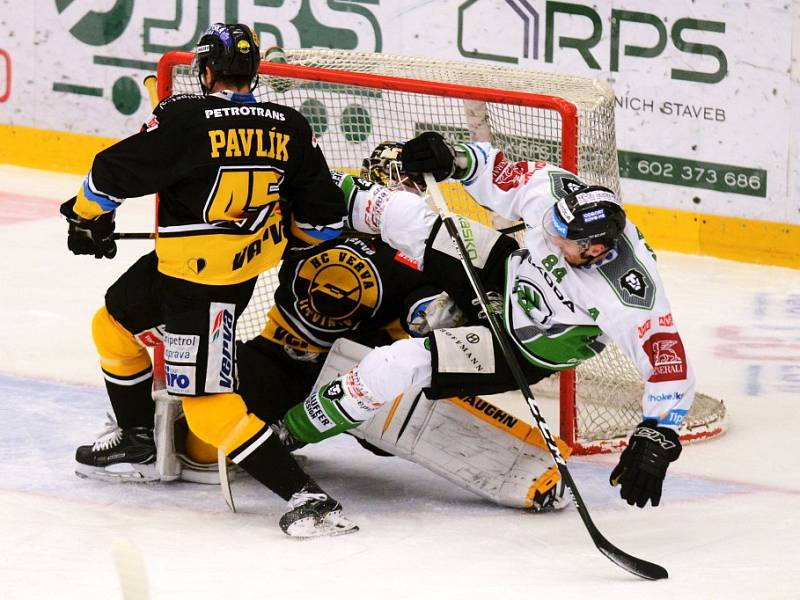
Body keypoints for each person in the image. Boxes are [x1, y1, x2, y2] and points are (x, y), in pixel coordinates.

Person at [278, 131, 695, 511]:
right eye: (551, 227)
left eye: (560, 239)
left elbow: (668, 367)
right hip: (505, 275)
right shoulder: (556, 195)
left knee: (397, 364)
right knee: (404, 213)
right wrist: (452, 158)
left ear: (594, 249)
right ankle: (290, 187)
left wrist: (658, 433)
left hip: (519, 347)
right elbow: (497, 174)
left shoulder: (630, 293)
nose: (549, 236)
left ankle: (290, 433)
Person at [59, 24, 348, 533]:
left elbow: (109, 175)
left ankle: (308, 498)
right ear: (254, 72)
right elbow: (324, 224)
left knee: (208, 411)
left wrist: (87, 219)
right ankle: (136, 439)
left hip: (199, 293)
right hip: (215, 276)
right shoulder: (291, 125)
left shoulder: (186, 117)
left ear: (205, 70)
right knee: (112, 323)